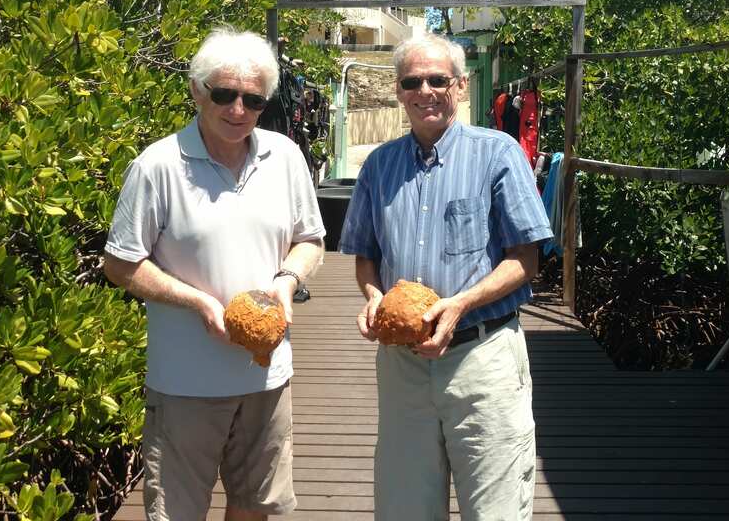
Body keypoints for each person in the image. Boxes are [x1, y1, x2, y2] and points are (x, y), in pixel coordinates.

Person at [102, 29, 326, 521]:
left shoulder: (285, 157)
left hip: (267, 376)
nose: (238, 110)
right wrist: (198, 302)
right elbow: (120, 263)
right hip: (185, 381)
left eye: (253, 99)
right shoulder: (158, 165)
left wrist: (287, 280)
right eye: (224, 94)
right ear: (197, 90)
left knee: (254, 507)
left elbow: (310, 238)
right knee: (178, 511)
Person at [338, 34, 552, 520]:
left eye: (438, 80)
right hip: (402, 369)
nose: (425, 91)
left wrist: (459, 305)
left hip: (482, 359)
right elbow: (364, 257)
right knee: (403, 508)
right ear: (399, 91)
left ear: (459, 85)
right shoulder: (378, 165)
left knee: (495, 509)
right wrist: (373, 296)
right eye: (413, 81)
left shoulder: (497, 154)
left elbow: (526, 260)